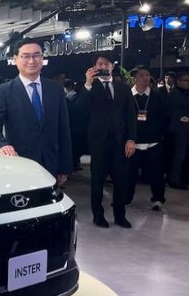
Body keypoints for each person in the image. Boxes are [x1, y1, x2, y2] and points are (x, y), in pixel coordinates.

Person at [0, 38, 72, 185]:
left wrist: (65, 166)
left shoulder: (55, 89)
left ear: (42, 58)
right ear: (15, 59)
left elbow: (64, 129)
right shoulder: (4, 91)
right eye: (25, 56)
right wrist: (1, 145)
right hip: (19, 162)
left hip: (50, 163)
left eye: (36, 55)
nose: (32, 61)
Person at [78, 53, 136, 228]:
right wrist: (87, 83)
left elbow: (131, 116)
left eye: (107, 63)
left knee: (121, 180)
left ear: (112, 66)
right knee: (97, 180)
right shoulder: (90, 87)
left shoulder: (123, 88)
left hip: (120, 142)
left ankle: (120, 215)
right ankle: (98, 215)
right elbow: (79, 108)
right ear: (94, 67)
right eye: (99, 63)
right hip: (98, 142)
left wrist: (131, 139)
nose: (103, 66)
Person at [126, 66, 168, 210]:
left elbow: (165, 117)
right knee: (129, 174)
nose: (145, 78)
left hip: (153, 142)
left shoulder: (157, 97)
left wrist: (160, 134)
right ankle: (126, 198)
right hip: (133, 143)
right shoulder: (128, 97)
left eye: (147, 75)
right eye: (142, 75)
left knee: (156, 174)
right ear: (134, 78)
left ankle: (158, 199)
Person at [167, 71, 189, 190]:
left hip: (185, 129)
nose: (187, 83)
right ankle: (175, 180)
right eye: (186, 80)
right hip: (179, 129)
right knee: (178, 156)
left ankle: (183, 179)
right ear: (179, 81)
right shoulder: (174, 94)